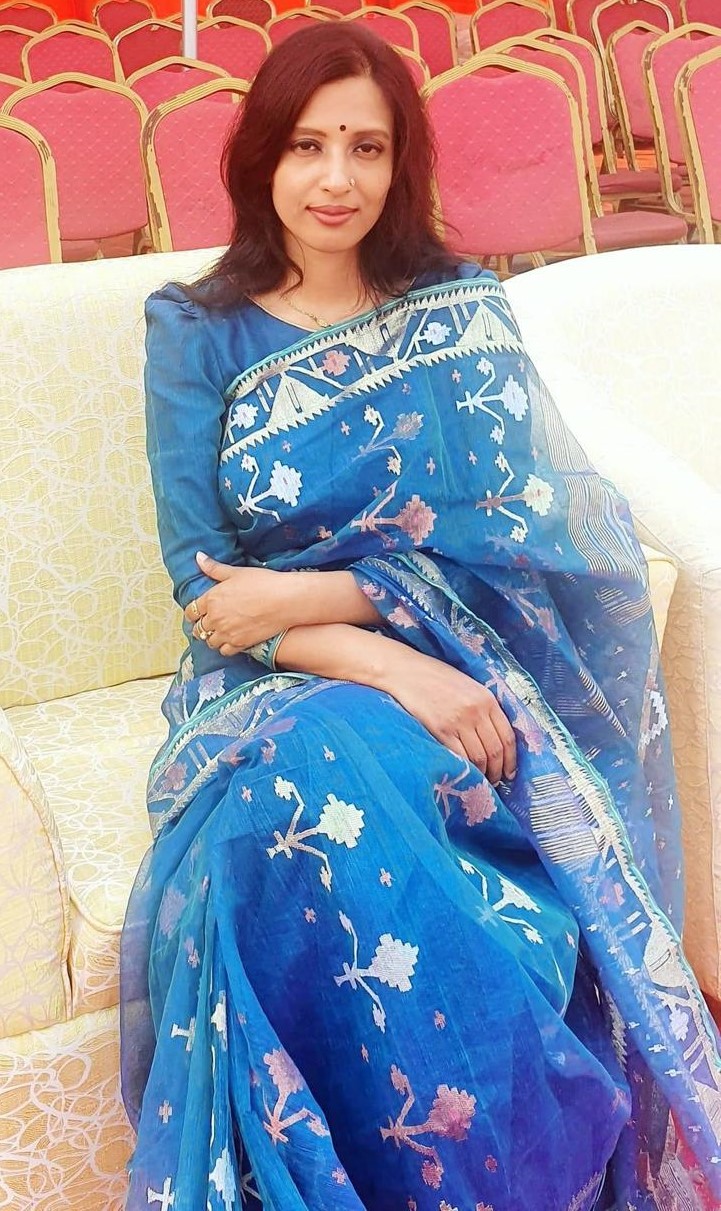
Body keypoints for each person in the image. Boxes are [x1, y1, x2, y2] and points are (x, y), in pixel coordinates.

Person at [120, 23, 721, 1211]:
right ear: (260, 156)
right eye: (306, 145)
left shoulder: (456, 310)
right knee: (298, 792)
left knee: (384, 793)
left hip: (469, 646)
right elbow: (209, 597)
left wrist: (340, 602)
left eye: (366, 147)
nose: (335, 178)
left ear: (401, 164)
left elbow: (530, 537)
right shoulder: (194, 329)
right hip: (280, 681)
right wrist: (388, 664)